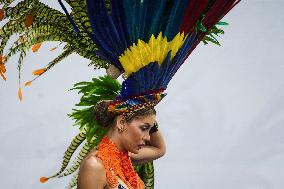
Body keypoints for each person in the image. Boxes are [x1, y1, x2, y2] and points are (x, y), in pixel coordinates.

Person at [78, 101, 166, 189]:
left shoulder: (126, 159)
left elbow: (159, 149)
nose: (148, 137)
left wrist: (149, 114)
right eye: (144, 128)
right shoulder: (94, 165)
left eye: (149, 130)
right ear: (121, 122)